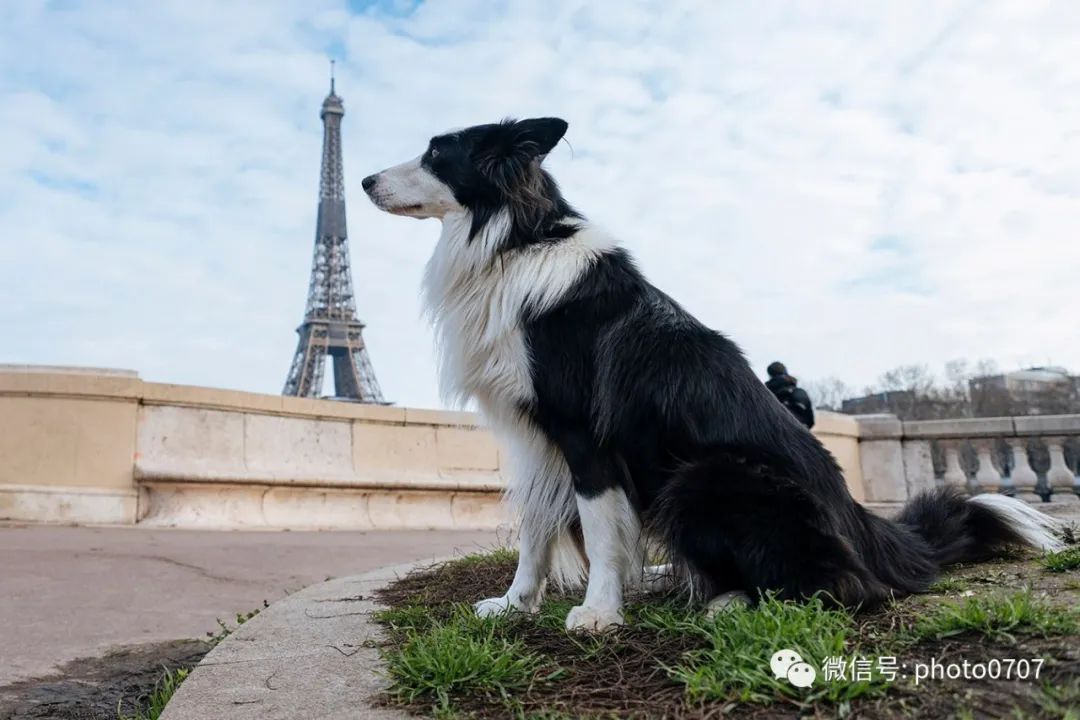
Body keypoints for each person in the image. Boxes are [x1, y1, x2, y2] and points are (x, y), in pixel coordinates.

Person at [765, 361, 815, 429]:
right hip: (800, 435)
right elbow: (810, 422)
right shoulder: (800, 392)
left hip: (772, 434)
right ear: (785, 372)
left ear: (770, 375)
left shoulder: (766, 393)